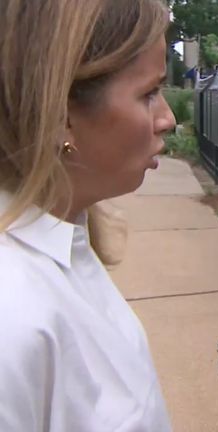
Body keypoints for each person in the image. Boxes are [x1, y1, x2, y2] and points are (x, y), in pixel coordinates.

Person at [0, 0, 176, 430]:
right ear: (61, 116)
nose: (168, 118)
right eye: (149, 93)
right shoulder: (12, 316)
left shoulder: (67, 238)